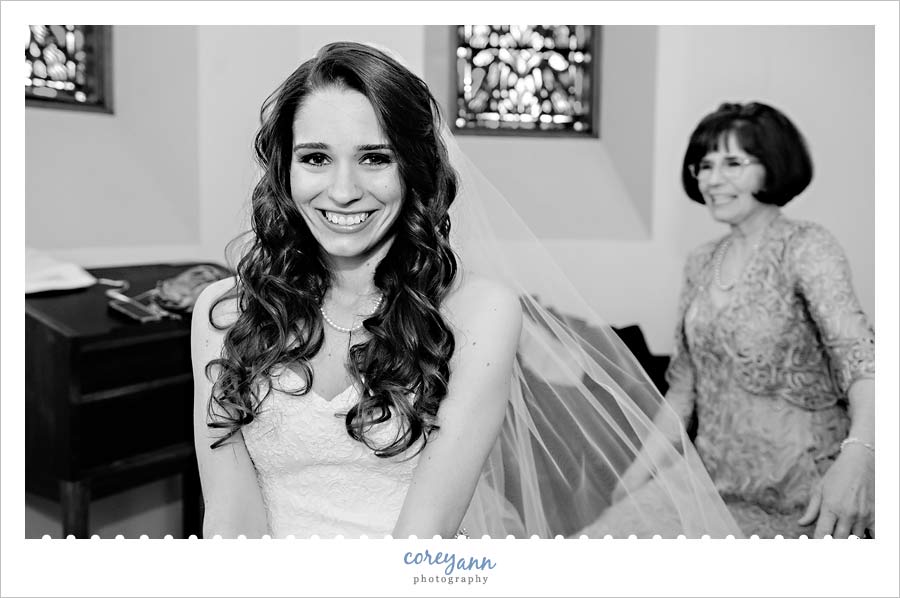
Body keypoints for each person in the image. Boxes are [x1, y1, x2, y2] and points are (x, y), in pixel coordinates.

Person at [192, 41, 742, 539]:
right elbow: (229, 511)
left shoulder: (478, 314)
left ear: (414, 169)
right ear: (285, 170)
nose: (342, 190)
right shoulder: (223, 315)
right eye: (315, 158)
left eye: (375, 158)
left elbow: (425, 529)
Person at [612, 102, 876, 539]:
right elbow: (683, 391)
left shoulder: (807, 246)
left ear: (771, 167)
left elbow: (862, 360)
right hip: (714, 491)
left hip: (804, 496)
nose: (713, 179)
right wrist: (633, 481)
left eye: (733, 163)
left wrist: (860, 456)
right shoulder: (701, 262)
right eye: (704, 165)